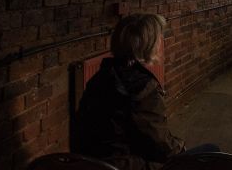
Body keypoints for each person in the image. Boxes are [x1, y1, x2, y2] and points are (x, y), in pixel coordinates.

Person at [73, 13, 218, 170]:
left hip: (91, 164)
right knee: (212, 152)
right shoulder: (142, 88)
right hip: (125, 166)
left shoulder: (99, 78)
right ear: (149, 44)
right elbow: (161, 145)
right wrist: (181, 149)